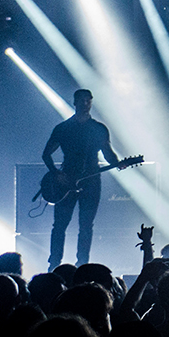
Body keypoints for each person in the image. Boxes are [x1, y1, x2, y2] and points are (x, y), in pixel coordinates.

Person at [42, 89, 125, 270]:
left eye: (88, 101)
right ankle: (54, 264)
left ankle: (82, 265)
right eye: (82, 100)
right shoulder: (63, 128)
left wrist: (118, 163)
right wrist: (56, 173)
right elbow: (46, 154)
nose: (85, 104)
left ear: (91, 103)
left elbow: (108, 153)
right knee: (60, 225)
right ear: (75, 102)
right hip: (66, 182)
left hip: (91, 182)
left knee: (86, 225)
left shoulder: (98, 129)